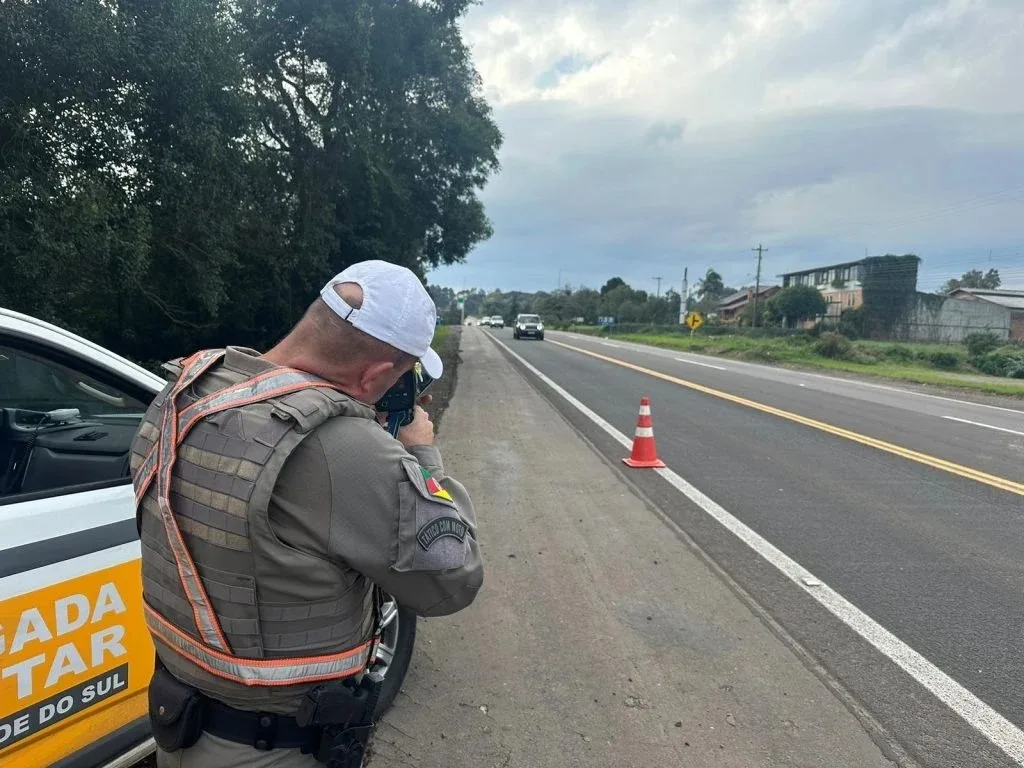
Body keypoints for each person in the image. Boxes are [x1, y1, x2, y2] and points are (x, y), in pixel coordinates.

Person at [129, 259, 483, 767]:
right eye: (402, 378)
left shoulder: (186, 392)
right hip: (275, 747)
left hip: (177, 721)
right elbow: (452, 581)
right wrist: (422, 457)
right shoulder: (348, 451)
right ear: (377, 374)